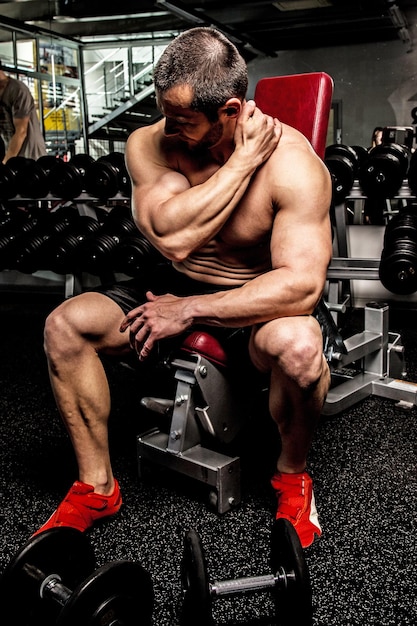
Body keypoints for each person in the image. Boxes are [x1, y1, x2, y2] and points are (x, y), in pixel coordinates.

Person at [34, 27, 332, 549]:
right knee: (66, 326)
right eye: (165, 114)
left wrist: (190, 310)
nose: (167, 129)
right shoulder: (152, 143)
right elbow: (172, 238)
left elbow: (300, 287)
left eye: (184, 121)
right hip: (170, 283)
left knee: (301, 348)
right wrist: (240, 163)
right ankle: (97, 485)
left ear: (231, 111)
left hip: (256, 297)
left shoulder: (294, 165)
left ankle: (291, 475)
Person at [0, 61, 47, 163]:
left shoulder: (17, 90)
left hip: (31, 157)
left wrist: (5, 164)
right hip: (14, 157)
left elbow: (21, 132)